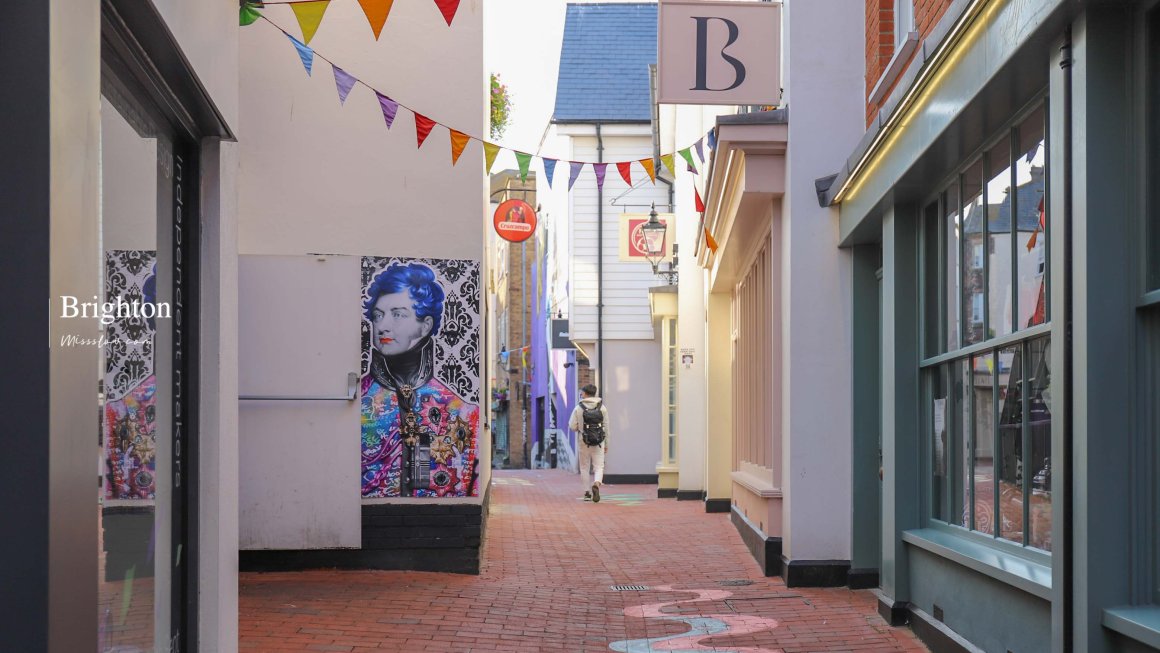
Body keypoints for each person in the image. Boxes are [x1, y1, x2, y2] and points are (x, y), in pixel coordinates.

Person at [361, 262, 479, 498]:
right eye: (378, 315)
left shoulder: (460, 411)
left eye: (398, 315)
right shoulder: (360, 400)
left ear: (425, 326)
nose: (382, 326)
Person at [569, 383, 609, 502]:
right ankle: (596, 483)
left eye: (582, 393)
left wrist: (580, 427)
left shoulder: (578, 408)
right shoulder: (602, 407)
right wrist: (607, 444)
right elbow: (607, 428)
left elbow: (572, 426)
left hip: (584, 440)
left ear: (586, 394)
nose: (581, 394)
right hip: (599, 441)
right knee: (599, 466)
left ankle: (587, 493)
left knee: (584, 466)